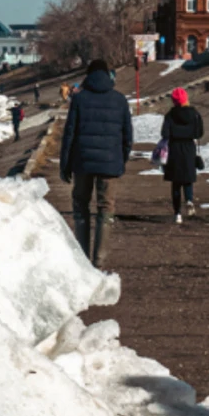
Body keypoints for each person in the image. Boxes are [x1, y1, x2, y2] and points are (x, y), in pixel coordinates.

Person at [58, 58, 133, 265]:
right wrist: (120, 160)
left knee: (81, 204)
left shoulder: (79, 99)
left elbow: (69, 134)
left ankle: (82, 258)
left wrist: (64, 165)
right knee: (106, 206)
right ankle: (98, 261)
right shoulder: (119, 100)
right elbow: (128, 136)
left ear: (88, 76)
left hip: (82, 162)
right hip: (110, 163)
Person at [161, 86, 203, 223]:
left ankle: (177, 213)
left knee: (176, 183)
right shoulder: (195, 114)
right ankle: (190, 200)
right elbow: (199, 133)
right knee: (188, 179)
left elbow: (164, 133)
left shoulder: (170, 115)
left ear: (173, 101)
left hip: (174, 149)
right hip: (189, 149)